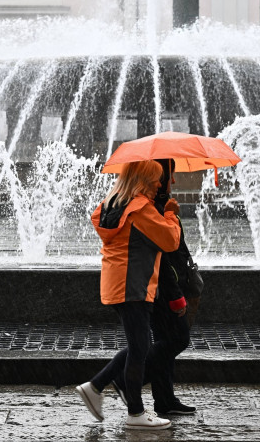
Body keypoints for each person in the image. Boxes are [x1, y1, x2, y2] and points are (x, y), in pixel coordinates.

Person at [76, 160, 181, 431]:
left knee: (140, 345)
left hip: (116, 281)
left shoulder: (112, 203)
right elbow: (170, 241)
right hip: (134, 284)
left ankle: (96, 386)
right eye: (156, 179)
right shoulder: (141, 209)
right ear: (144, 180)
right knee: (140, 349)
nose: (160, 183)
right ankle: (135, 412)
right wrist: (170, 214)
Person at [146, 159, 197, 415]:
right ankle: (123, 379)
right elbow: (164, 254)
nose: (174, 180)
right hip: (164, 290)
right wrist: (176, 296)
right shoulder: (155, 206)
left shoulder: (161, 203)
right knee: (178, 339)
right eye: (171, 175)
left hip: (165, 287)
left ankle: (165, 401)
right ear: (161, 176)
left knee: (165, 341)